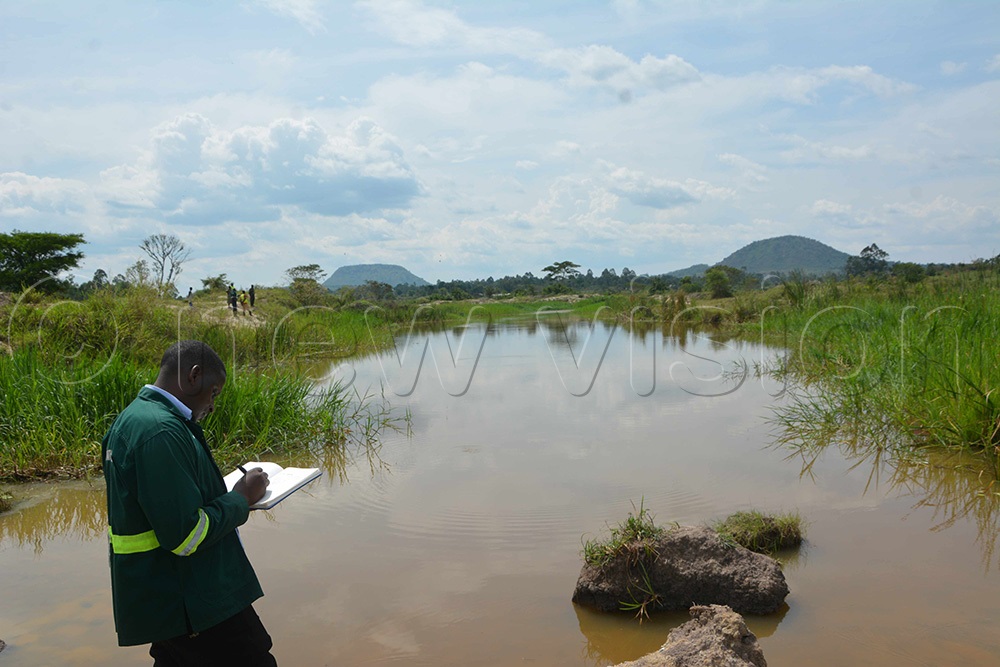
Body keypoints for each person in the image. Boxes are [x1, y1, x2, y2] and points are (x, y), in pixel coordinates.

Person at [102, 340, 277, 665]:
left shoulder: (136, 419)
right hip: (193, 599)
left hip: (167, 595)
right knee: (254, 657)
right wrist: (241, 499)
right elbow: (185, 534)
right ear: (194, 376)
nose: (212, 405)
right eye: (214, 393)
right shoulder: (160, 431)